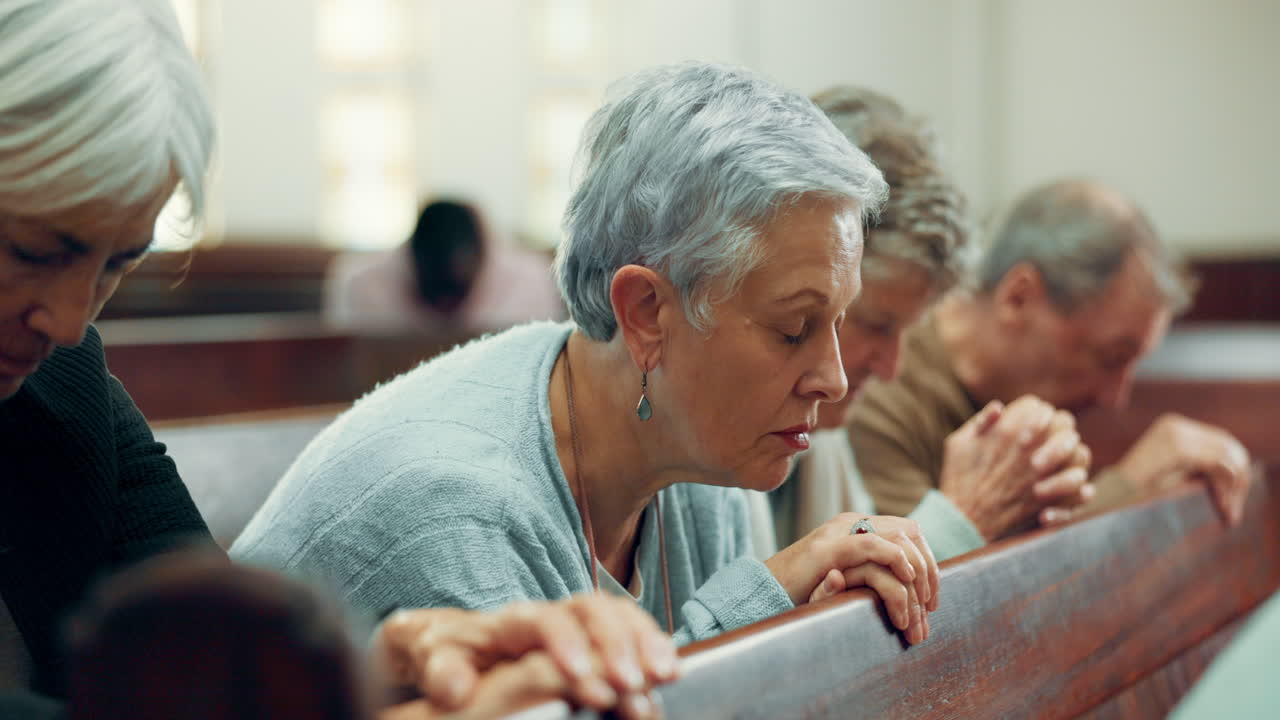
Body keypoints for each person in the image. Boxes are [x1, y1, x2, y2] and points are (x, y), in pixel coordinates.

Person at [0, 2, 674, 718]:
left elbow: (218, 664)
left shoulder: (65, 383)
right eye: (34, 251)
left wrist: (387, 667)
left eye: (116, 265)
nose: (70, 321)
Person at [234, 61, 942, 656]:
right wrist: (769, 594)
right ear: (645, 314)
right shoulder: (454, 510)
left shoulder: (705, 450)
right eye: (793, 329)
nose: (834, 378)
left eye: (839, 322)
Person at [747, 87, 1085, 564]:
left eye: (907, 330)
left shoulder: (822, 430)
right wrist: (965, 518)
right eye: (875, 324)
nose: (891, 368)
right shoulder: (728, 430)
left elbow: (851, 575)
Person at [849, 179, 1252, 546]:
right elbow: (926, 581)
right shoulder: (874, 388)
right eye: (1111, 358)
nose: (1114, 398)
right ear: (1018, 298)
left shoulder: (1021, 393)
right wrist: (1132, 485)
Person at [325, 199, 565, 335]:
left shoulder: (532, 278)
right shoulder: (362, 283)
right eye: (437, 297)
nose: (445, 308)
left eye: (454, 297)